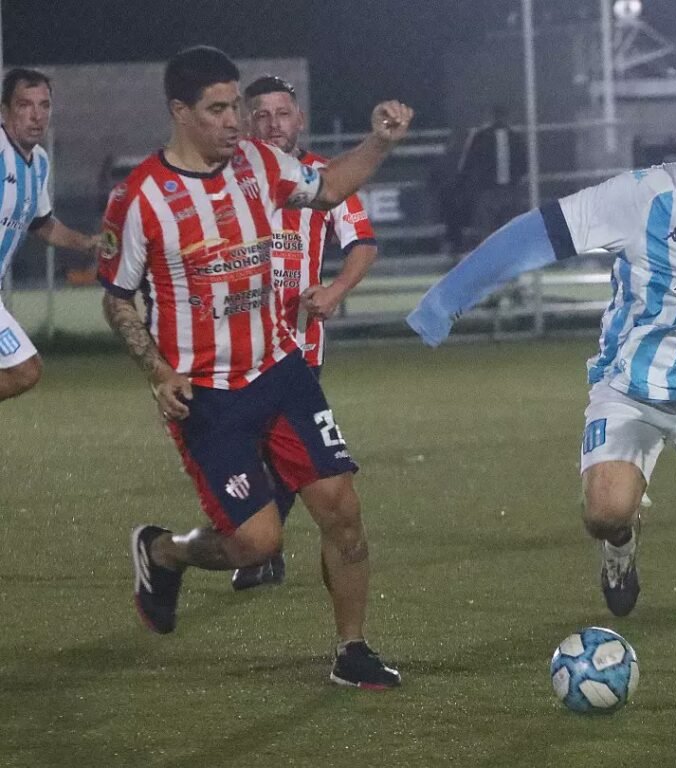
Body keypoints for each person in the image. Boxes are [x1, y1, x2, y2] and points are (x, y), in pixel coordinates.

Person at [408, 83, 676, 682]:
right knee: (606, 512)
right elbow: (536, 235)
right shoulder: (641, 196)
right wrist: (445, 301)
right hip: (630, 388)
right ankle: (620, 545)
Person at [98, 46, 412, 688]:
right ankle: (165, 551)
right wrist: (159, 372)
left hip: (281, 369)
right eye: (217, 109)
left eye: (234, 104)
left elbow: (326, 190)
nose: (235, 120)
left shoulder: (262, 165)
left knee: (342, 508)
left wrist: (378, 144)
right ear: (180, 112)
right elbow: (116, 296)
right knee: (256, 544)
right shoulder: (139, 199)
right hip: (208, 398)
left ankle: (352, 650)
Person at [228, 74, 379, 591]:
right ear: (249, 122)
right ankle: (260, 546)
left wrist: (335, 290)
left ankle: (259, 550)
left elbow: (362, 242)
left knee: (281, 455)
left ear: (300, 118)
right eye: (262, 115)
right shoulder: (231, 176)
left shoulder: (324, 177)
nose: (273, 124)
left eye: (282, 113)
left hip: (298, 346)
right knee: (251, 456)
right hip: (236, 347)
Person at [0, 68, 99, 403]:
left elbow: (42, 224)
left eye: (44, 105)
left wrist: (88, 243)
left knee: (24, 371)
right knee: (25, 370)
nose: (36, 115)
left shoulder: (39, 162)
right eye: (25, 105)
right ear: (4, 110)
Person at [455, 105, 526, 248]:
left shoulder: (481, 136)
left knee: (487, 231)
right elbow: (524, 164)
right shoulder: (515, 137)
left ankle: (490, 261)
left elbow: (468, 164)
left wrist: (468, 185)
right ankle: (509, 259)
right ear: (507, 117)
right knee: (510, 229)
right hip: (509, 189)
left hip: (487, 191)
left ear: (491, 116)